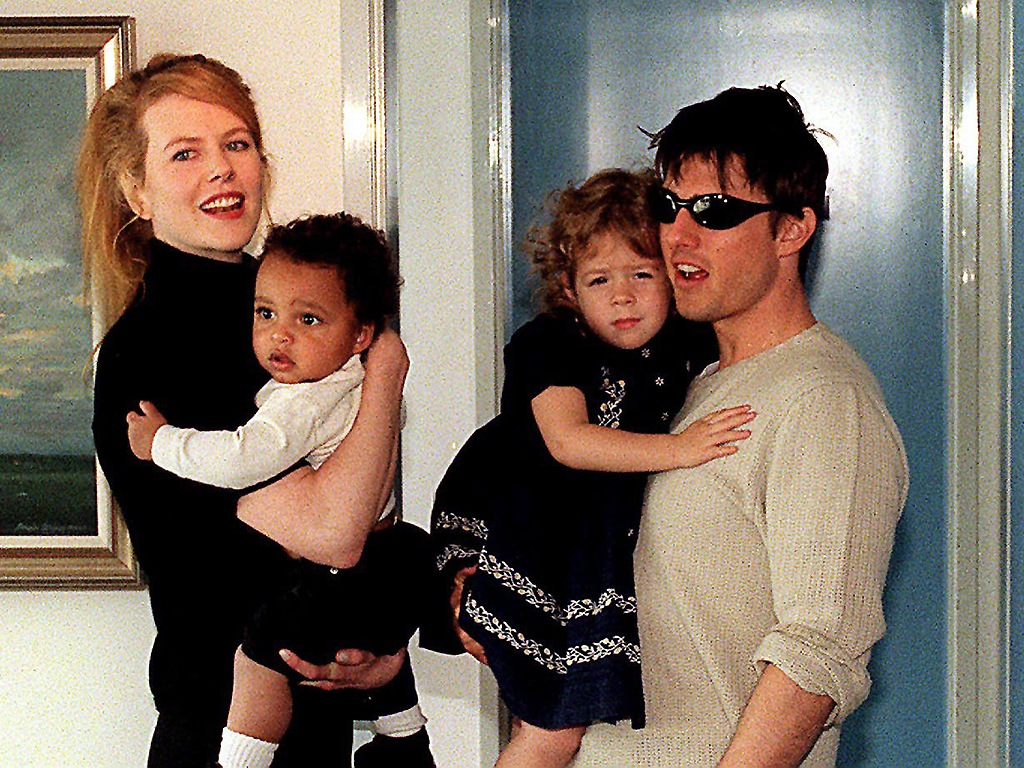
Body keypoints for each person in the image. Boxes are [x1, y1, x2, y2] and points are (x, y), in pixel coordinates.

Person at [82, 54, 407, 767]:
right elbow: (333, 531)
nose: (222, 169)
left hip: (315, 724)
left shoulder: (280, 320)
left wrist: (376, 648)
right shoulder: (155, 350)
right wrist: (385, 377)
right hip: (221, 733)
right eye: (185, 153)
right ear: (137, 189)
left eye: (237, 143)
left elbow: (363, 512)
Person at [570, 86, 908, 766]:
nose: (679, 236)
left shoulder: (824, 400)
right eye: (669, 206)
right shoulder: (689, 384)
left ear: (791, 229)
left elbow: (818, 654)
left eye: (716, 211)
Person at [424, 168, 755, 766]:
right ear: (571, 291)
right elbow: (570, 443)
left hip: (578, 551)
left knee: (570, 724)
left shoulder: (685, 342)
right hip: (514, 531)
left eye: (642, 274)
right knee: (553, 728)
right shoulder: (551, 342)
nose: (622, 296)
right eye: (599, 279)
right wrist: (682, 450)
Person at [124, 213, 434, 768]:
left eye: (308, 319)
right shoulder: (360, 377)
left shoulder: (303, 398)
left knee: (259, 653)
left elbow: (249, 459)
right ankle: (404, 734)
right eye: (264, 314)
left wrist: (163, 442)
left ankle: (243, 759)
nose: (279, 335)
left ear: (358, 332)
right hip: (388, 558)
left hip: (330, 591)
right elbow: (347, 520)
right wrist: (385, 374)